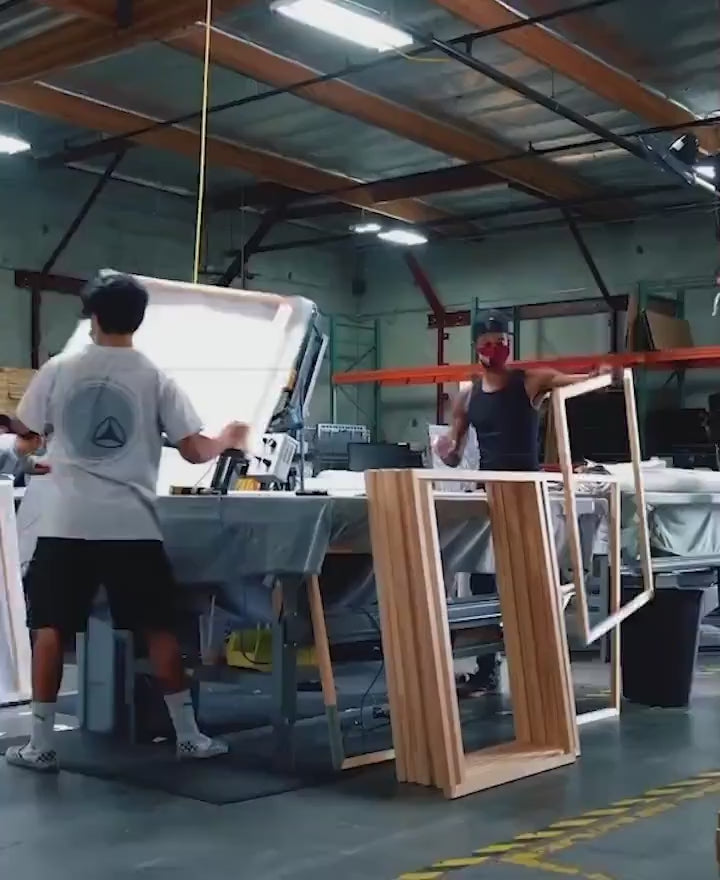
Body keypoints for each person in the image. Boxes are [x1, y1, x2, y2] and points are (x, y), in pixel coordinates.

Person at [6, 271, 249, 773]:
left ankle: (41, 745)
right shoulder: (155, 377)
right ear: (138, 320)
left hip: (67, 520)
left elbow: (26, 434)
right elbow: (194, 449)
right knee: (158, 629)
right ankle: (189, 737)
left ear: (93, 316)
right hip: (131, 524)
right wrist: (228, 437)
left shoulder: (59, 369)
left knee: (50, 629)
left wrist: (41, 450)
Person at [435, 312, 610, 694]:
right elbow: (455, 451)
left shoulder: (530, 380)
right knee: (483, 579)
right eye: (488, 342)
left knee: (530, 578)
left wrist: (600, 375)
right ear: (477, 348)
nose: (496, 348)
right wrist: (445, 451)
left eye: (502, 341)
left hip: (526, 493)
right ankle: (487, 668)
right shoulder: (468, 396)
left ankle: (538, 667)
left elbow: (580, 383)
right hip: (489, 495)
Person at [0, 414, 48, 485]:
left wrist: (49, 469)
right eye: (45, 443)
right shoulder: (3, 448)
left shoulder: (22, 451)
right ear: (36, 439)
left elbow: (27, 468)